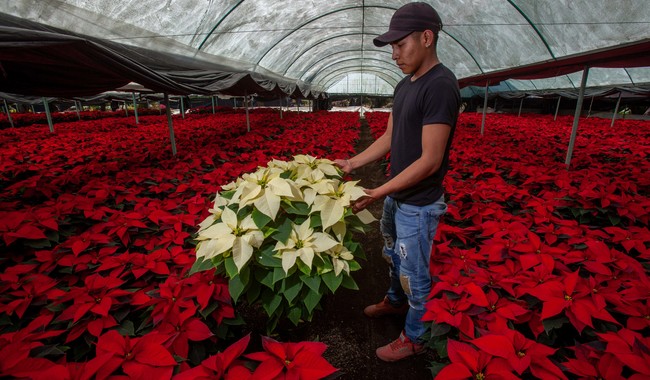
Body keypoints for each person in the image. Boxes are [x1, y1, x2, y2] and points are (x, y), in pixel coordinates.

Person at [334, 2, 460, 362]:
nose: (394, 55)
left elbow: (430, 160)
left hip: (419, 205)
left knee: (416, 276)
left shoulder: (440, 86)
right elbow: (390, 135)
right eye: (391, 47)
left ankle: (415, 337)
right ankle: (393, 302)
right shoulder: (406, 85)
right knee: (393, 258)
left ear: (426, 37)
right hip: (398, 196)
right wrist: (352, 162)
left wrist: (377, 192)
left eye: (399, 45)